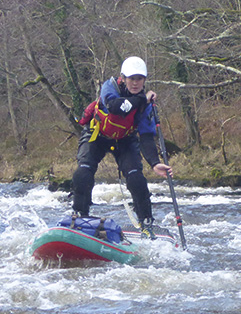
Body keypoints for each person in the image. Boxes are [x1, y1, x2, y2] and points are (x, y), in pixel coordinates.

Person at [71, 56, 172, 238]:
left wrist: (155, 163)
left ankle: (146, 222)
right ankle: (80, 216)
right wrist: (142, 99)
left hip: (125, 140)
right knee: (83, 172)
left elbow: (147, 137)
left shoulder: (145, 106)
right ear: (123, 78)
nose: (135, 83)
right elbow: (117, 107)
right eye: (131, 78)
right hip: (97, 135)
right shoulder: (110, 87)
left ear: (144, 80)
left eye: (139, 79)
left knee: (136, 178)